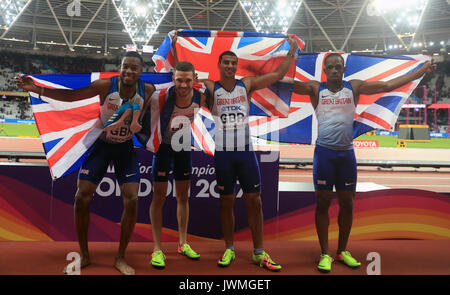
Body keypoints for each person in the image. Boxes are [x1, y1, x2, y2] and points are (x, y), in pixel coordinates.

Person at [15, 51, 156, 275]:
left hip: (125, 149)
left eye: (134, 68)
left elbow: (154, 110)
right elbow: (73, 97)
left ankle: (120, 257)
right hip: (102, 145)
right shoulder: (104, 86)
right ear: (120, 67)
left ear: (141, 71)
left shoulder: (147, 90)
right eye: (125, 66)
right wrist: (38, 89)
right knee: (81, 197)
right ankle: (85, 255)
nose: (128, 71)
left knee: (132, 199)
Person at [292, 53, 436, 273]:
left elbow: (388, 84)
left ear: (343, 69)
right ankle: (325, 253)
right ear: (325, 70)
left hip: (346, 155)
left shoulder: (355, 87)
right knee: (322, 204)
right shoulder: (315, 89)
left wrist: (420, 71)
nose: (333, 71)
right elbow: (285, 84)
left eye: (337, 67)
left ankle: (342, 250)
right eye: (329, 67)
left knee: (347, 203)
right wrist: (264, 69)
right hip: (324, 154)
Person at [189, 36, 298, 271]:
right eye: (225, 62)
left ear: (236, 66)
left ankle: (259, 251)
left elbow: (277, 76)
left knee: (254, 202)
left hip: (246, 153)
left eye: (232, 63)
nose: (229, 66)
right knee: (226, 203)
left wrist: (292, 51)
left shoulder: (246, 84)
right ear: (219, 66)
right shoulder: (210, 86)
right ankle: (229, 248)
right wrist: (177, 49)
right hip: (224, 154)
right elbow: (185, 77)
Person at [149, 61, 207, 269]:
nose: (183, 85)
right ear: (173, 79)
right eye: (179, 80)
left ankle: (183, 243)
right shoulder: (162, 96)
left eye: (188, 80)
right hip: (163, 148)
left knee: (183, 196)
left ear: (195, 79)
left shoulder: (201, 96)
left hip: (183, 147)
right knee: (159, 197)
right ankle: (157, 248)